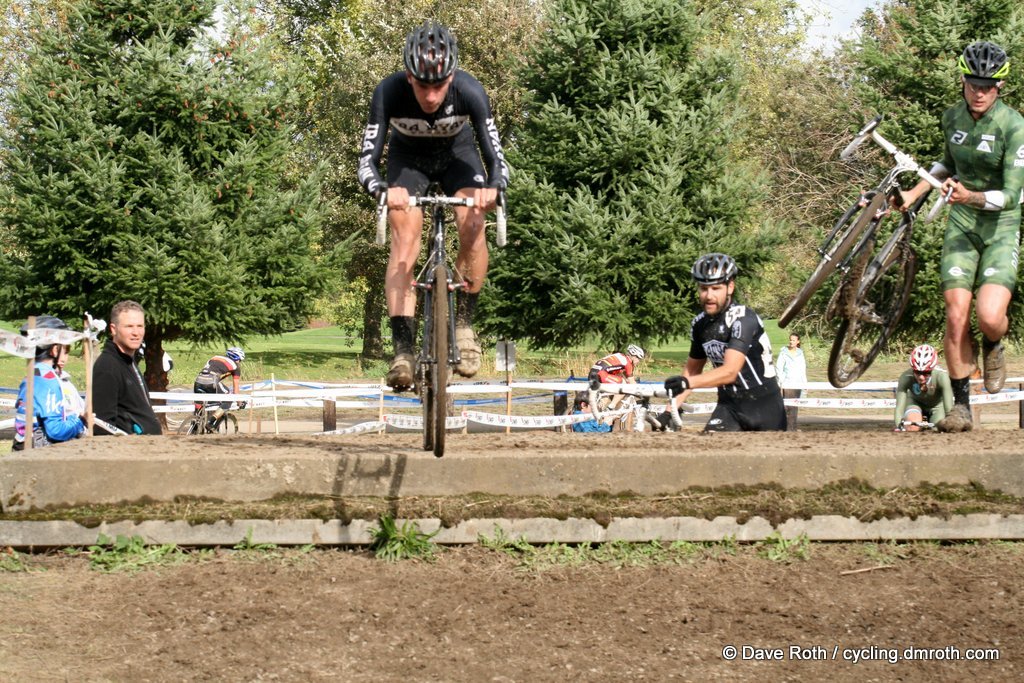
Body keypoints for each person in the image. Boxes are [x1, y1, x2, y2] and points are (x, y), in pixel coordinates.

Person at [358, 20, 509, 392]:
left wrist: (494, 188)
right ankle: (403, 351)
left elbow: (496, 157)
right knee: (404, 239)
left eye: (439, 85)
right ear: (409, 77)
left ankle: (464, 326)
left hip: (459, 158)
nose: (430, 95)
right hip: (408, 162)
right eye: (423, 85)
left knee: (473, 223)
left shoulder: (470, 91)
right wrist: (381, 189)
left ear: (451, 76)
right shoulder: (388, 92)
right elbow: (366, 161)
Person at [896, 41, 1024, 432]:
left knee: (989, 317)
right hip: (963, 224)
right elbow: (946, 164)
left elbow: (1012, 194)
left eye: (987, 86)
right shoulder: (952, 117)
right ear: (964, 83)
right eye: (973, 84)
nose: (979, 93)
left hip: (1001, 225)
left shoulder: (1013, 126)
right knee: (955, 316)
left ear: (999, 87)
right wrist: (914, 193)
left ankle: (993, 343)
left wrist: (971, 196)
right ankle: (962, 407)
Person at [662, 253, 786, 432]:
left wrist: (686, 383)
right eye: (704, 288)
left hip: (764, 406)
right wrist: (669, 410)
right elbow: (693, 370)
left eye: (716, 288)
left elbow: (730, 372)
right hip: (728, 406)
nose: (709, 295)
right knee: (708, 448)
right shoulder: (699, 324)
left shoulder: (743, 318)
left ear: (730, 287)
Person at [11, 315, 85, 450]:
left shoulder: (33, 374)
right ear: (55, 350)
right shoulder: (47, 379)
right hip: (37, 451)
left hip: (23, 444)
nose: (65, 357)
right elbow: (56, 430)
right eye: (64, 349)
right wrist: (81, 421)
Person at [93, 300, 161, 435]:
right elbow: (102, 427)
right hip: (129, 447)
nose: (136, 332)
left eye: (140, 326)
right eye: (129, 326)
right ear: (113, 329)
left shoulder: (129, 361)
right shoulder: (107, 367)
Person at [894, 344, 955, 432]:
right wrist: (899, 426)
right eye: (917, 372)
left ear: (932, 369)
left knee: (936, 429)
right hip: (915, 402)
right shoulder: (906, 377)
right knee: (912, 427)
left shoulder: (942, 377)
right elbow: (899, 408)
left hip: (937, 406)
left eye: (926, 373)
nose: (921, 377)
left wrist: (950, 425)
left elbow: (949, 409)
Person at [193, 347, 245, 425]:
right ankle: (210, 422)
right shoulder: (236, 367)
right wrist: (239, 401)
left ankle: (195, 423)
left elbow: (208, 370)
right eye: (240, 360)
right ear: (237, 358)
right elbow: (236, 389)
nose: (239, 362)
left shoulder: (215, 357)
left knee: (199, 401)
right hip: (211, 381)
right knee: (229, 398)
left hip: (198, 380)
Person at [587, 344, 645, 411]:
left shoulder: (620, 356)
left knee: (605, 398)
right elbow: (631, 382)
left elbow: (623, 375)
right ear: (633, 356)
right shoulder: (628, 363)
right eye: (638, 358)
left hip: (592, 374)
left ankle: (598, 412)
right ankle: (611, 407)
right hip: (602, 374)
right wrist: (643, 393)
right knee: (624, 386)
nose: (638, 361)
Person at [776, 333, 807, 430]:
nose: (791, 342)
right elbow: (779, 368)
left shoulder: (800, 353)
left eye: (793, 340)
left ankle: (792, 428)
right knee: (787, 407)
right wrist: (781, 383)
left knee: (794, 407)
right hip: (787, 383)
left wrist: (805, 384)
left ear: (798, 342)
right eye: (790, 340)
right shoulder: (783, 352)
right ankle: (785, 428)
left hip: (798, 383)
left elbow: (802, 369)